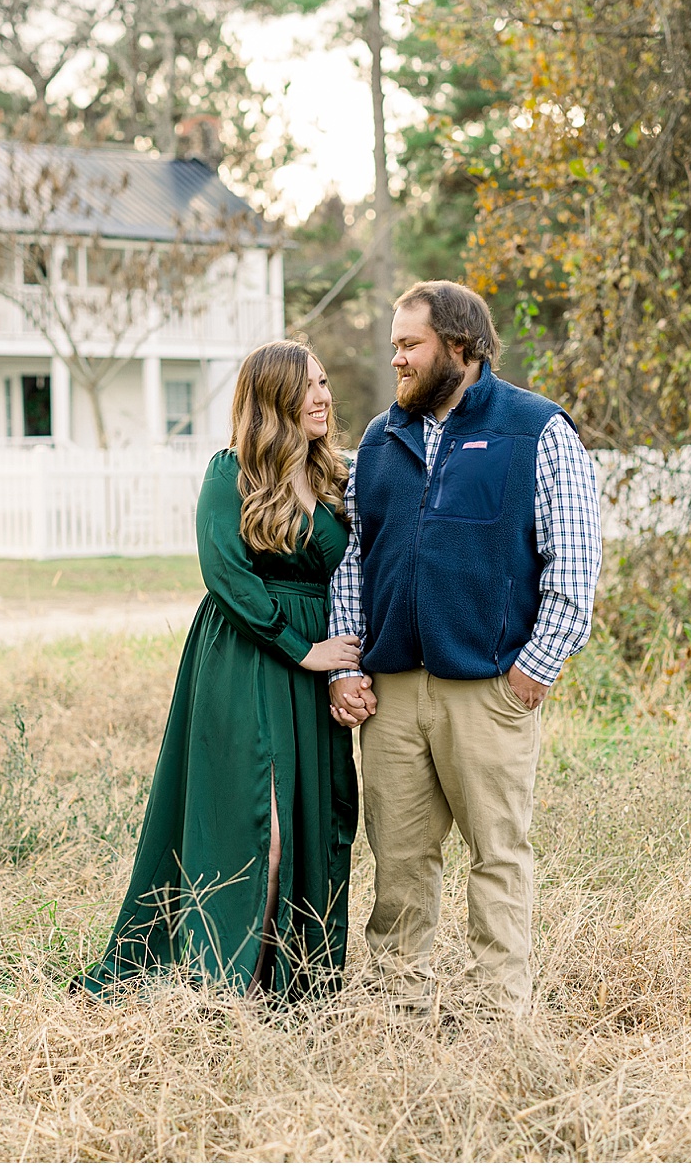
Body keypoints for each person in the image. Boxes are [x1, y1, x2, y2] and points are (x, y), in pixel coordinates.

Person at [327, 280, 602, 1021]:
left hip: (488, 690)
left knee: (498, 858)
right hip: (391, 693)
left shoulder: (537, 429)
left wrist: (529, 674)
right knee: (400, 864)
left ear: (460, 347)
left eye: (409, 346)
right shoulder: (381, 442)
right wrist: (350, 668)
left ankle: (494, 1020)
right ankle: (395, 1012)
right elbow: (356, 561)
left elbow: (574, 567)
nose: (397, 361)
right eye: (393, 348)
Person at [77, 339, 363, 1002]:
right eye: (308, 385)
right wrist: (302, 646)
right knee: (253, 824)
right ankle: (219, 983)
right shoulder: (230, 472)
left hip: (314, 674)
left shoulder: (336, 477)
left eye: (325, 382)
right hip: (248, 658)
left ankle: (282, 982)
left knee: (307, 822)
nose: (323, 396)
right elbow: (225, 575)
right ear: (272, 399)